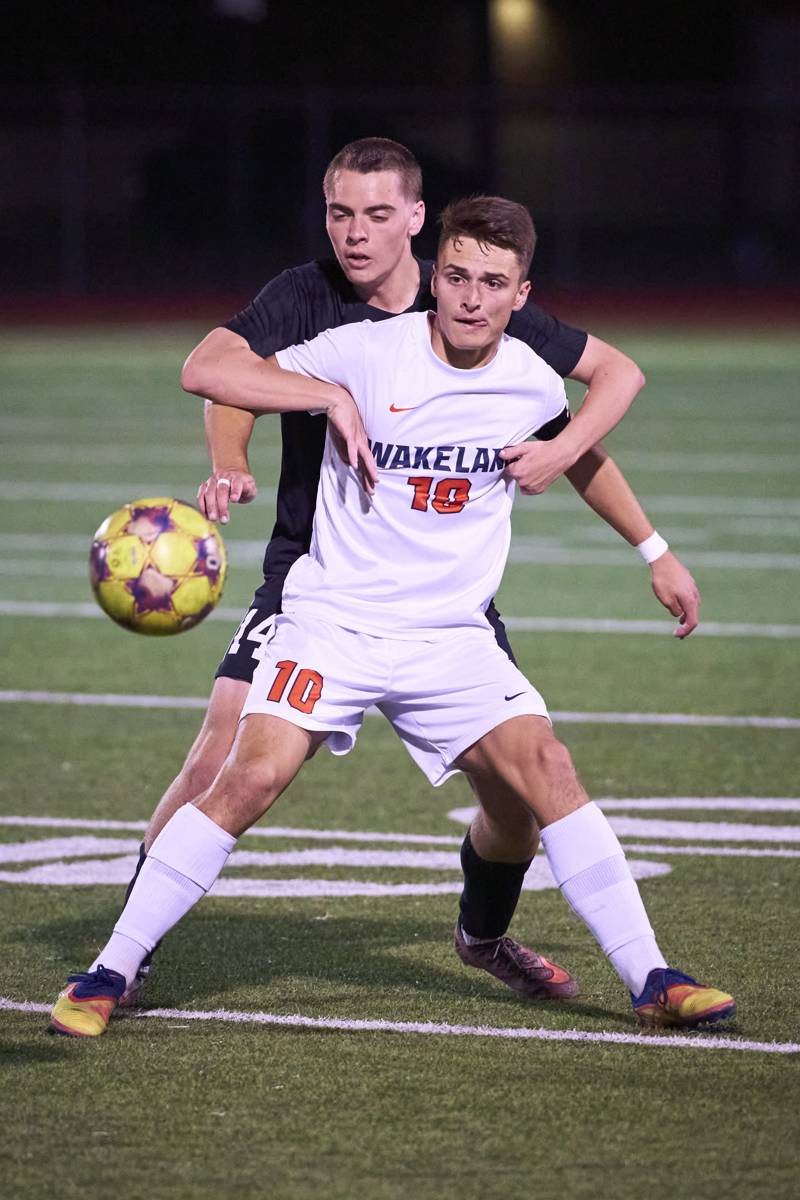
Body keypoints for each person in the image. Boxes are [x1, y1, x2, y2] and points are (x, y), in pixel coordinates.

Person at [49, 194, 733, 1038]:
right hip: (334, 620)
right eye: (456, 277)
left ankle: (651, 976)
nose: (472, 299)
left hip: (449, 638)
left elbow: (592, 441)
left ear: (522, 295)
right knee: (249, 775)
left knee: (545, 773)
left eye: (492, 283)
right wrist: (323, 400)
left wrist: (654, 549)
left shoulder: (527, 375)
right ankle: (108, 971)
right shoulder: (365, 350)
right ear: (434, 278)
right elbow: (210, 372)